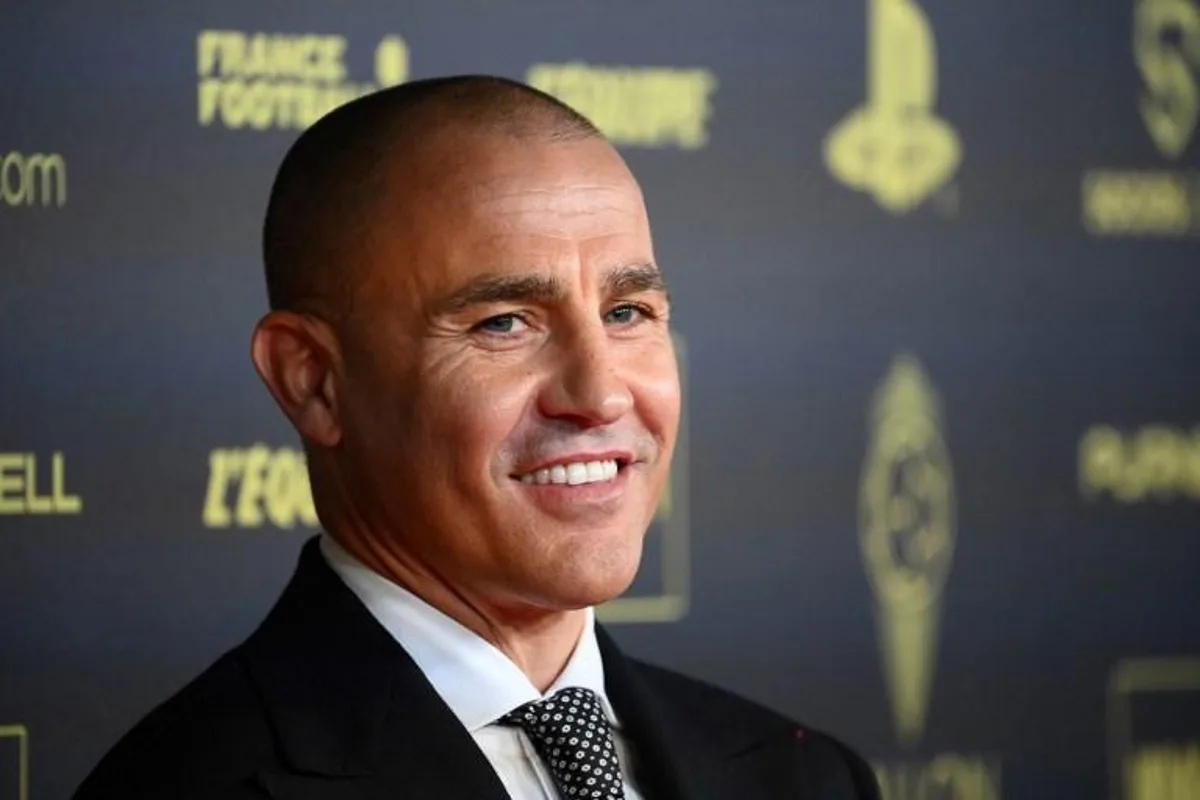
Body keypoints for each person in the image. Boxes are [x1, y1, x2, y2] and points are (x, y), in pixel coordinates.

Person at [75, 75, 879, 800]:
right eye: (504, 323)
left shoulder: (804, 777)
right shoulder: (190, 783)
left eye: (626, 312)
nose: (598, 394)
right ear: (313, 380)